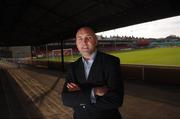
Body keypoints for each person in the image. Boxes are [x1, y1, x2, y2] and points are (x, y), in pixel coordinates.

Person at [62, 27, 124, 119]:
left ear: (96, 41)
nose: (84, 42)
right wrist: (93, 92)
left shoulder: (111, 62)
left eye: (89, 38)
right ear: (76, 43)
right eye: (80, 38)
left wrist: (80, 98)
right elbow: (66, 99)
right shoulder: (72, 67)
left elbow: (116, 99)